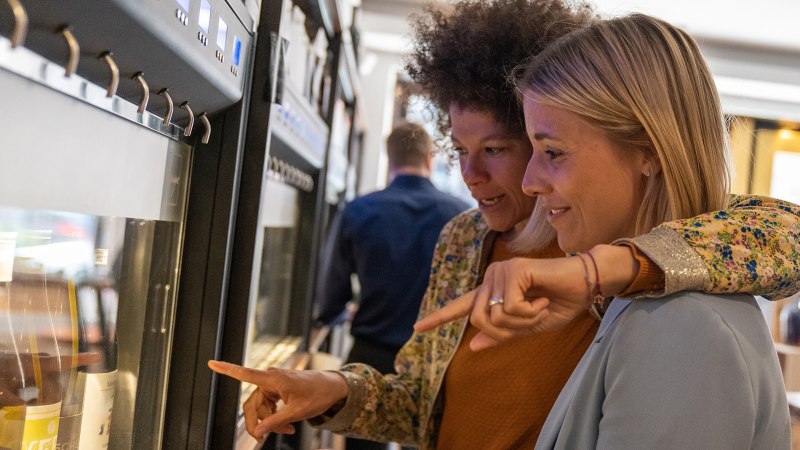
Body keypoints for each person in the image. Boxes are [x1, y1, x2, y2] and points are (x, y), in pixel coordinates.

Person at [208, 0, 800, 448]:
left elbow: (783, 234)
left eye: (499, 149)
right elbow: (424, 403)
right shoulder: (466, 241)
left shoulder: (644, 265)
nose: (471, 174)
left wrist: (599, 271)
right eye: (458, 149)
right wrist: (335, 390)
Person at [421, 13, 791, 448]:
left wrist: (594, 271)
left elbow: (786, 230)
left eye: (553, 152)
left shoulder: (683, 324)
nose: (529, 181)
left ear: (648, 152)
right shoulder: (637, 300)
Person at [314, 121, 469, 449]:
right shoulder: (460, 217)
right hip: (435, 363)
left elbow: (331, 296)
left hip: (371, 355)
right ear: (429, 158)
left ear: (389, 160)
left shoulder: (358, 210)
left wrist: (338, 315)